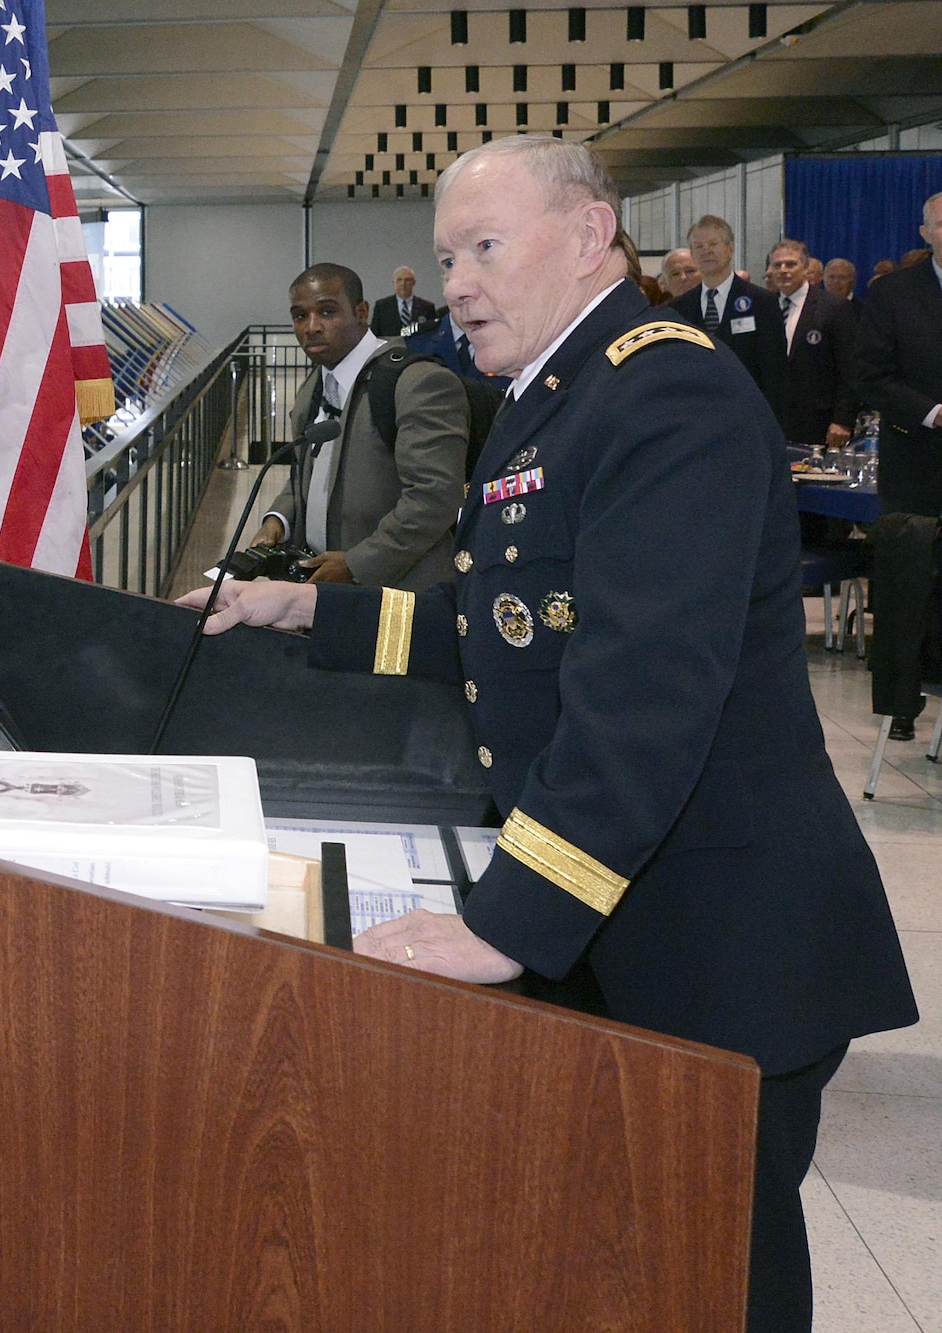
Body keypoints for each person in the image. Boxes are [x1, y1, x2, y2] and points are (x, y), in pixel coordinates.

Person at [180, 134, 917, 1333]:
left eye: (482, 247)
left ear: (587, 238)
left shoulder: (662, 388)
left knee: (713, 1275)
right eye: (442, 256)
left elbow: (642, 701)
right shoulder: (553, 397)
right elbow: (505, 624)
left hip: (721, 946)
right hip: (630, 921)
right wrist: (309, 608)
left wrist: (500, 923)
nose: (455, 281)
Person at [248, 263, 469, 590]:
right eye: (300, 316)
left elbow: (434, 499)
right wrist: (277, 519)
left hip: (398, 595)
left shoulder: (417, 383)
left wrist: (356, 565)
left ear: (361, 312)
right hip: (324, 586)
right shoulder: (315, 385)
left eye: (327, 312)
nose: (312, 327)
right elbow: (306, 474)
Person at [854, 190, 942, 519]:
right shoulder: (892, 293)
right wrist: (934, 413)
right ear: (926, 234)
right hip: (917, 469)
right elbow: (871, 376)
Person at [669, 214, 787, 413]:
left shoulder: (762, 302)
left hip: (748, 414)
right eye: (699, 246)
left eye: (713, 244)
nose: (706, 251)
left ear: (730, 249)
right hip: (696, 416)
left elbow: (775, 372)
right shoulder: (679, 308)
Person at [764, 239, 859, 450]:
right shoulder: (763, 306)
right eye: (777, 265)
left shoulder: (833, 307)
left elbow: (850, 369)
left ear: (806, 268)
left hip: (819, 420)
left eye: (790, 264)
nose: (783, 270)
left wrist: (843, 419)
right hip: (771, 418)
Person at [369, 265, 437, 337]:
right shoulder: (382, 306)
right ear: (393, 283)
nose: (403, 284)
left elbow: (434, 334)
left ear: (414, 283)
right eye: (399, 280)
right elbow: (375, 334)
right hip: (391, 347)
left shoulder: (427, 307)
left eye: (407, 280)